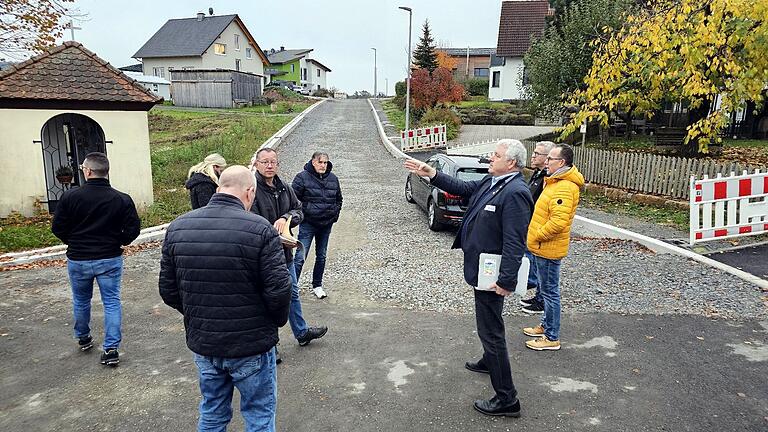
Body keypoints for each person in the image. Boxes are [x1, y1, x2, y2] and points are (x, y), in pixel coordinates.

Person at [404, 139, 533, 418]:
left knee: (491, 331)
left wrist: (506, 280)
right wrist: (431, 173)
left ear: (511, 163)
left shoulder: (516, 192)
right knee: (489, 323)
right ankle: (489, 360)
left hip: (493, 273)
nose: (490, 158)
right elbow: (462, 189)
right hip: (481, 268)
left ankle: (507, 399)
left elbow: (515, 241)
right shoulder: (492, 180)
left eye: (496, 155)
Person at [159, 165, 291, 432]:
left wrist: (198, 314)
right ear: (249, 192)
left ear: (219, 188)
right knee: (259, 415)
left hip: (205, 343)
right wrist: (274, 322)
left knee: (212, 412)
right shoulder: (260, 229)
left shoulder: (178, 227)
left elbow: (168, 290)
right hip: (251, 344)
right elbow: (279, 289)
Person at [51, 152, 140, 367]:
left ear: (88, 171)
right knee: (111, 302)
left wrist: (73, 241)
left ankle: (83, 337)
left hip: (78, 258)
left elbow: (58, 227)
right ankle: (111, 349)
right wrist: (118, 241)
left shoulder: (70, 197)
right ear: (105, 171)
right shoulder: (121, 198)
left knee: (81, 300)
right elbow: (133, 229)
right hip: (109, 258)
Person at [250, 148, 328, 350]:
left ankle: (302, 333)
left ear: (278, 164)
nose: (269, 166)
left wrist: (286, 219)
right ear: (256, 164)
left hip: (285, 254)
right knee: (267, 297)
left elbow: (299, 210)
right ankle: (270, 346)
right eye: (265, 162)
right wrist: (273, 234)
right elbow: (249, 221)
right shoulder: (251, 190)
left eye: (273, 162)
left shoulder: (284, 187)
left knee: (292, 292)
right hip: (263, 256)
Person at [523, 144, 584, 351]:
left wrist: (537, 236)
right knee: (546, 289)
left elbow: (558, 222)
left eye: (550, 159)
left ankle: (551, 337)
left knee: (550, 292)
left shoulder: (565, 187)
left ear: (562, 162)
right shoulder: (555, 182)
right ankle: (545, 326)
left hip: (548, 247)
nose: (546, 162)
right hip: (543, 247)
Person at [292, 151, 343, 299]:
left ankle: (317, 285)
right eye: (320, 162)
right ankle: (291, 286)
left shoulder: (333, 179)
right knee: (300, 256)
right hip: (308, 224)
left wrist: (334, 215)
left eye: (325, 162)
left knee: (321, 256)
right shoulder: (301, 178)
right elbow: (294, 200)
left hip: (326, 224)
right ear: (313, 162)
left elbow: (339, 199)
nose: (323, 165)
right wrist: (304, 214)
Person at [520, 141, 556, 315]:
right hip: (531, 224)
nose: (533, 156)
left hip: (540, 228)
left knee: (543, 266)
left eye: (537, 154)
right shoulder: (537, 174)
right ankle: (537, 295)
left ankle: (540, 299)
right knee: (534, 259)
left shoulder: (548, 180)